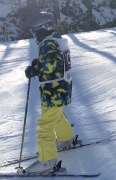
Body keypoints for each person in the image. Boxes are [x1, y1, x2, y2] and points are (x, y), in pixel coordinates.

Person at [24, 12, 75, 174]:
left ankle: (47, 161)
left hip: (53, 91)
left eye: (35, 31)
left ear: (43, 28)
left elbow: (53, 66)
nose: (34, 35)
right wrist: (39, 63)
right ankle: (66, 138)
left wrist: (36, 69)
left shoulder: (47, 44)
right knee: (57, 116)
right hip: (61, 90)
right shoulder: (57, 39)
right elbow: (55, 60)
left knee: (45, 124)